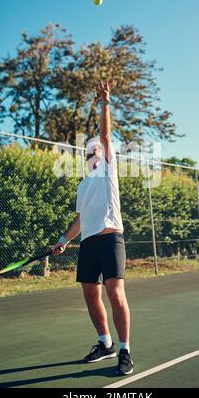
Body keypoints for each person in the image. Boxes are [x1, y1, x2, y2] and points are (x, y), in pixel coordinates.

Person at [52, 81, 133, 376]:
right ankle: (105, 343)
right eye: (90, 153)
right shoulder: (83, 185)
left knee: (115, 292)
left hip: (111, 240)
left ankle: (124, 350)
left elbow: (106, 134)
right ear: (86, 159)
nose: (95, 155)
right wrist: (62, 240)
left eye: (98, 151)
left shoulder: (110, 172)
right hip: (88, 244)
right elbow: (80, 221)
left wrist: (105, 103)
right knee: (90, 293)